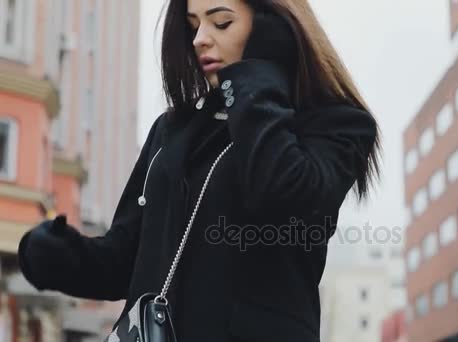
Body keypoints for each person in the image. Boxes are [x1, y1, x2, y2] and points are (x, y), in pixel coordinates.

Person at [17, 0, 380, 341]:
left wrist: (258, 72)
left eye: (221, 22)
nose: (200, 38)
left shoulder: (338, 125)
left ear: (273, 27)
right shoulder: (172, 129)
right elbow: (125, 261)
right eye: (193, 24)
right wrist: (57, 255)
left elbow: (282, 191)